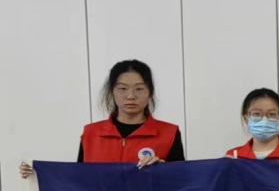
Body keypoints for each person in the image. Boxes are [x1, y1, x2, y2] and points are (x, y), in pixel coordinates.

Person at [19, 59, 184, 178]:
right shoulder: (91, 133)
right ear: (112, 92)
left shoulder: (169, 133)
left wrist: (164, 170)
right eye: (122, 88)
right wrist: (38, 173)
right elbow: (77, 180)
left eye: (139, 89)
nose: (130, 96)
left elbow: (183, 184)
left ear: (150, 93)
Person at [225, 89, 279, 162]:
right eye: (256, 114)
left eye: (272, 114)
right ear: (245, 118)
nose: (264, 120)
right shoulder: (232, 157)